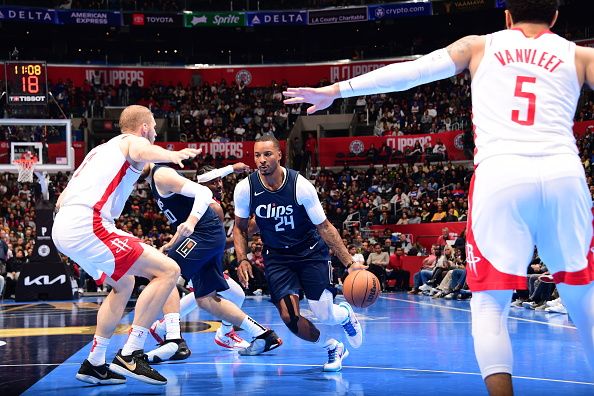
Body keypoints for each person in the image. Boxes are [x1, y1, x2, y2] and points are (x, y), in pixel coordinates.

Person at [284, 0, 594, 393]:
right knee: (584, 299)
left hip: (501, 176)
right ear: (555, 17)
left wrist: (338, 89)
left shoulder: (479, 46)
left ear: (507, 16)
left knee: (489, 303)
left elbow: (410, 73)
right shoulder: (580, 55)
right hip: (563, 173)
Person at [52, 105, 201, 385]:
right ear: (144, 127)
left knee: (124, 283)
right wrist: (171, 155)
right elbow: (142, 151)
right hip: (88, 223)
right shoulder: (134, 142)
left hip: (64, 225)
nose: (155, 131)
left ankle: (94, 363)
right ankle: (131, 353)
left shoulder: (101, 151)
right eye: (154, 126)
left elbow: (62, 199)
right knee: (168, 270)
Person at [233, 135, 367, 372]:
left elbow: (324, 227)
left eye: (267, 154)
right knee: (289, 318)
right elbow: (241, 227)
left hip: (311, 253)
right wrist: (241, 258)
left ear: (279, 155)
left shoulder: (301, 186)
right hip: (277, 258)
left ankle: (344, 315)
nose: (261, 160)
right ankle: (332, 347)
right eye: (257, 155)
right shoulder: (245, 188)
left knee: (323, 313)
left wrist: (350, 264)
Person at [146, 162, 281, 359]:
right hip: (202, 240)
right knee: (205, 299)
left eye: (220, 181)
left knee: (166, 272)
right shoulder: (178, 187)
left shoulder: (167, 178)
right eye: (215, 181)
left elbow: (207, 230)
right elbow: (185, 222)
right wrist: (171, 244)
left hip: (204, 239)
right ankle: (262, 334)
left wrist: (243, 235)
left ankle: (172, 339)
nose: (220, 185)